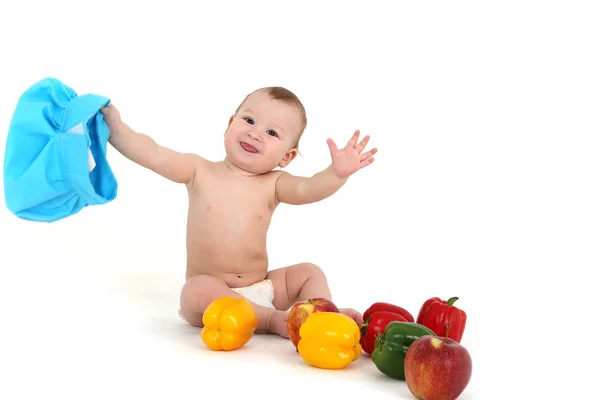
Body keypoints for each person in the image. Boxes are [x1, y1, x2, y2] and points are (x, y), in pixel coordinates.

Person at [101, 86, 377, 337]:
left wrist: (336, 174)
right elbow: (154, 154)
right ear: (230, 124)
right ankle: (271, 320)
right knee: (194, 291)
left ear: (286, 157)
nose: (255, 133)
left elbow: (310, 189)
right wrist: (116, 128)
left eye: (272, 133)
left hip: (263, 286)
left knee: (310, 272)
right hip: (215, 296)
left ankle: (324, 317)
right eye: (249, 120)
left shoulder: (275, 184)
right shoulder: (198, 170)